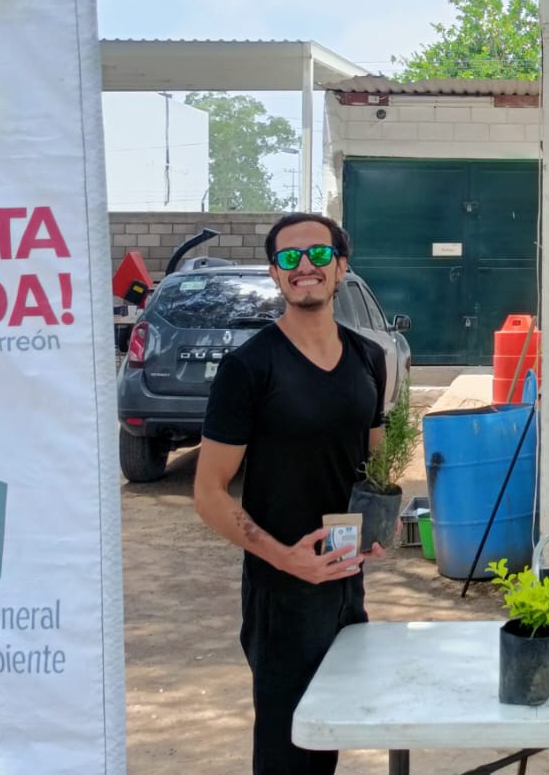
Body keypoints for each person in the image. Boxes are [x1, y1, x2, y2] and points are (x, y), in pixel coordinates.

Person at [193, 212, 388, 775]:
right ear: (276, 275)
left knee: (327, 735)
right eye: (289, 258)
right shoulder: (248, 368)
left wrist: (375, 525)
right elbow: (209, 492)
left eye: (320, 255)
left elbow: (370, 465)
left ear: (341, 268)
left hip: (345, 581)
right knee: (287, 751)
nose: (305, 267)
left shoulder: (367, 358)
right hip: (281, 592)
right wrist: (286, 558)